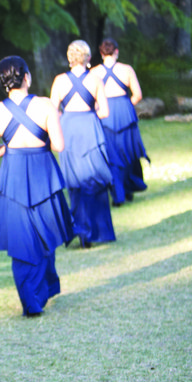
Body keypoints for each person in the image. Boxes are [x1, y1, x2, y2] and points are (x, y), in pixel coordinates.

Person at [0, 56, 74, 317]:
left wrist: (11, 145)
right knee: (46, 232)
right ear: (26, 77)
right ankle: (43, 291)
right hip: (42, 173)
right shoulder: (45, 105)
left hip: (13, 175)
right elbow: (58, 145)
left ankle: (30, 300)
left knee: (21, 239)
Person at [50, 40, 115, 248]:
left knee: (74, 182)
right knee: (94, 178)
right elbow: (104, 112)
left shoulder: (59, 80)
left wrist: (64, 117)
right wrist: (90, 114)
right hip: (89, 127)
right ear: (87, 57)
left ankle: (80, 231)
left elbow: (53, 110)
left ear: (70, 58)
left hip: (68, 128)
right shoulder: (95, 80)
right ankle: (98, 231)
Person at [92, 38, 149, 205]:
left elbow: (92, 99)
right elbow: (137, 95)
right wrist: (125, 105)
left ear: (101, 53)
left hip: (106, 114)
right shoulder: (127, 69)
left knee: (111, 154)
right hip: (125, 113)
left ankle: (118, 193)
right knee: (129, 152)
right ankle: (129, 188)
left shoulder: (95, 73)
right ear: (116, 51)